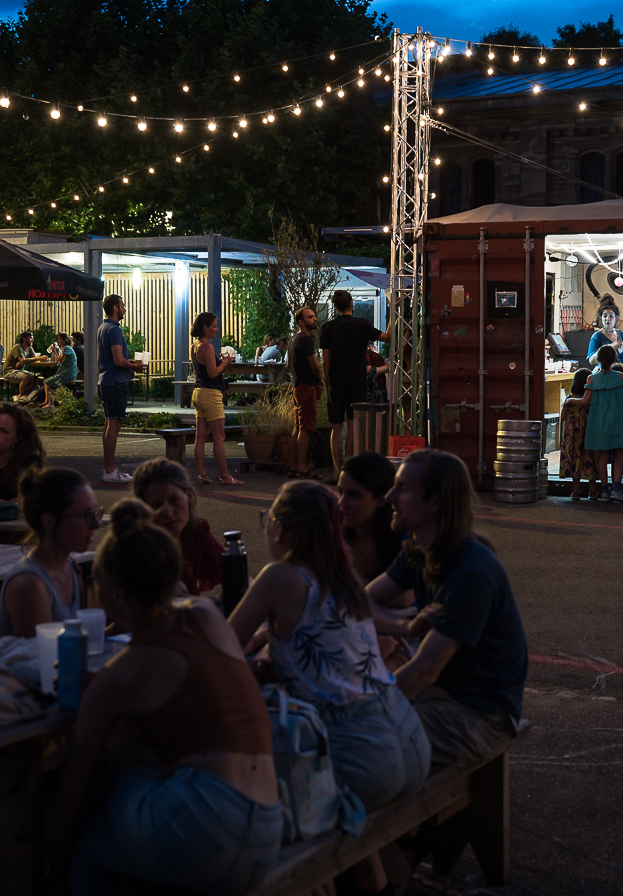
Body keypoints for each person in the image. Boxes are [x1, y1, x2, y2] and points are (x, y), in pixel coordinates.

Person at [51, 499, 281, 896]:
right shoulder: (206, 617)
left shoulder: (121, 675)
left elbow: (70, 795)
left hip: (211, 831)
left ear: (118, 595)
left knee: (92, 833)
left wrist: (50, 869)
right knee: (134, 768)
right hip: (268, 825)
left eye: (98, 586)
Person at [230, 480, 430, 894]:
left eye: (268, 521)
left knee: (254, 776)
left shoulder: (278, 576)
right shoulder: (344, 577)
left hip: (360, 756)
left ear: (282, 530)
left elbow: (224, 647)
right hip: (410, 740)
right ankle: (375, 880)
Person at [368, 449, 528, 769]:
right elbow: (360, 602)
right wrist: (403, 627)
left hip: (480, 716)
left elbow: (424, 671)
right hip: (442, 695)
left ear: (436, 502)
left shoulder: (472, 572)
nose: (389, 497)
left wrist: (361, 712)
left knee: (356, 743)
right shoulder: (418, 551)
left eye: (402, 488)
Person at [0, 467, 101, 638]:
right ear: (49, 522)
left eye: (96, 513)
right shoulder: (29, 585)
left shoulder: (71, 567)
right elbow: (44, 653)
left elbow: (75, 642)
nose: (97, 524)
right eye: (86, 515)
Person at [321, 290, 390, 473]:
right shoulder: (362, 324)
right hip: (357, 381)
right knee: (352, 425)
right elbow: (387, 337)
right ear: (351, 303)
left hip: (336, 381)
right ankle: (348, 468)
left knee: (336, 427)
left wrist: (327, 381)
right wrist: (394, 309)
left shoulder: (327, 328)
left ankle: (336, 469)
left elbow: (325, 360)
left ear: (335, 306)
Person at [133, 457, 223, 594]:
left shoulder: (196, 532)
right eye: (156, 506)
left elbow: (229, 568)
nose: (169, 513)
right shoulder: (136, 548)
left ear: (189, 496)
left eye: (174, 500)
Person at [189, 311, 243, 486]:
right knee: (219, 437)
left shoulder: (195, 345)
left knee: (200, 436)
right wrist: (225, 363)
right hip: (211, 394)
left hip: (198, 392)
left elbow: (204, 368)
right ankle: (225, 476)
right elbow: (213, 373)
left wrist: (219, 361)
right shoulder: (207, 347)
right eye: (214, 326)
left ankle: (201, 474)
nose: (217, 330)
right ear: (205, 328)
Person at [582, 346, 623, 503]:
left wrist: (570, 401)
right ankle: (616, 490)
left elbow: (585, 400)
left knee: (602, 457)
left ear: (598, 359)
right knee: (619, 457)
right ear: (614, 359)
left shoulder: (592, 379)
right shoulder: (620, 377)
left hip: (600, 423)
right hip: (618, 422)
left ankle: (604, 491)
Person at [339, 450, 403, 582]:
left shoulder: (402, 545)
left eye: (354, 495)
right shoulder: (335, 537)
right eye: (341, 492)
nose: (342, 503)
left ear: (381, 500)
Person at [98, 295, 142, 484]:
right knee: (114, 425)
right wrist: (135, 366)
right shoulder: (114, 329)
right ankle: (110, 471)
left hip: (105, 381)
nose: (125, 309)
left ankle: (109, 469)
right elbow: (117, 360)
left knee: (110, 424)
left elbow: (113, 358)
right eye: (123, 305)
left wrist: (129, 362)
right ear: (115, 308)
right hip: (115, 382)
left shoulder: (103, 327)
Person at [557, 368, 601, 501]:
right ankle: (592, 492)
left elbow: (563, 417)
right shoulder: (590, 399)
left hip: (572, 436)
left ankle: (575, 492)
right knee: (590, 459)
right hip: (588, 434)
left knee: (574, 459)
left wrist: (566, 407)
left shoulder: (570, 399)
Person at [290, 306, 322, 479]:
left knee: (298, 427)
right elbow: (315, 365)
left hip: (297, 385)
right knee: (306, 428)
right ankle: (301, 467)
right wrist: (320, 379)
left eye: (314, 316)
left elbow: (288, 364)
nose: (314, 318)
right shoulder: (305, 339)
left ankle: (293, 465)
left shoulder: (294, 339)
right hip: (306, 386)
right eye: (310, 317)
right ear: (301, 322)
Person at [586, 294, 623, 366]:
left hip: (620, 371)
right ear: (601, 318)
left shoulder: (620, 334)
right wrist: (610, 347)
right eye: (605, 316)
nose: (607, 319)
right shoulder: (597, 336)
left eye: (611, 316)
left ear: (616, 317)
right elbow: (591, 360)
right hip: (604, 372)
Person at [4, 330, 47, 400]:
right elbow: (25, 360)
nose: (33, 340)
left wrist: (23, 361)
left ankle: (20, 396)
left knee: (38, 380)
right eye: (31, 338)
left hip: (20, 370)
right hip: (9, 370)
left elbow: (33, 358)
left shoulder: (29, 348)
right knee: (25, 377)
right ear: (24, 339)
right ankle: (21, 397)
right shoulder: (18, 347)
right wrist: (24, 361)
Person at [41, 332, 78, 409]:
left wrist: (54, 352)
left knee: (47, 382)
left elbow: (59, 361)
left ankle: (51, 403)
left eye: (60, 339)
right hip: (67, 372)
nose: (58, 341)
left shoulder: (67, 348)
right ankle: (47, 401)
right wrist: (56, 352)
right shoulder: (65, 348)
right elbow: (58, 360)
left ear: (65, 340)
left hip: (68, 373)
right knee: (46, 381)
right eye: (57, 339)